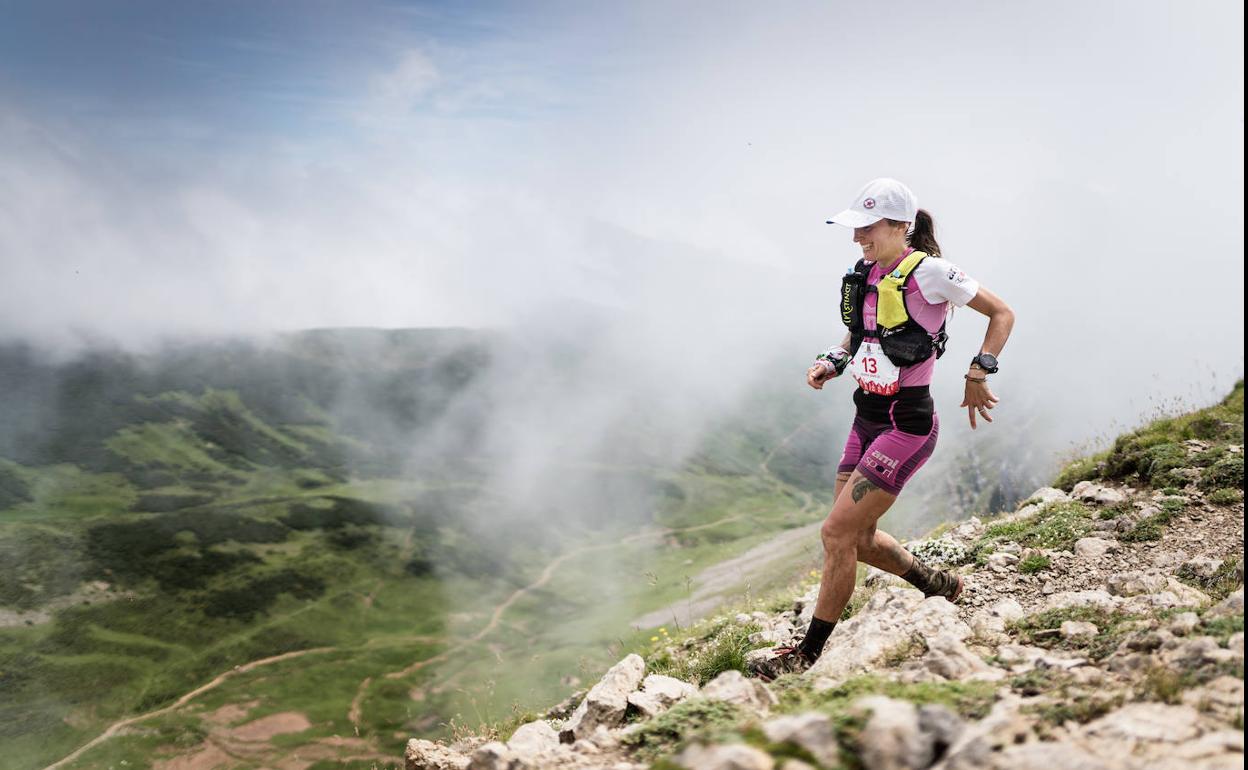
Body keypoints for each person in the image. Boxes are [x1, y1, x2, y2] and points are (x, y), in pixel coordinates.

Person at [750, 178, 1015, 680]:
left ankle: (808, 654)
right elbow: (861, 332)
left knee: (835, 533)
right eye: (855, 229)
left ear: (901, 227)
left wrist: (979, 370)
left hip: (907, 424)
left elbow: (1002, 312)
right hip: (866, 416)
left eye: (867, 228)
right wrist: (834, 360)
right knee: (858, 538)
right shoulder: (866, 271)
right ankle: (938, 585)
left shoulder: (933, 272)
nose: (857, 238)